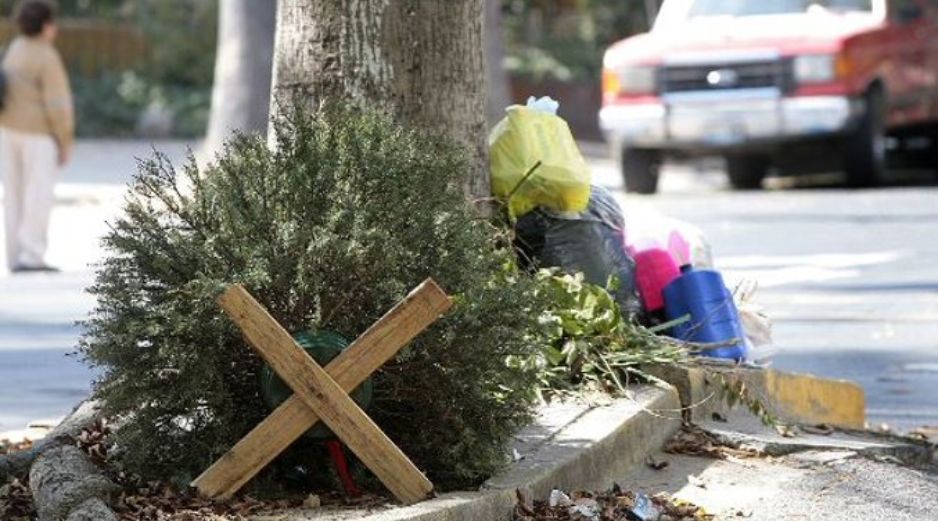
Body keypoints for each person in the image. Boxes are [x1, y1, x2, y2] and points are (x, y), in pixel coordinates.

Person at [0, 0, 73, 273]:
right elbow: (58, 105)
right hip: (38, 135)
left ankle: (14, 256)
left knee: (13, 195)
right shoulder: (46, 55)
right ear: (45, 26)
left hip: (6, 131)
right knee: (38, 195)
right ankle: (32, 256)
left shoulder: (15, 49)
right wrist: (64, 140)